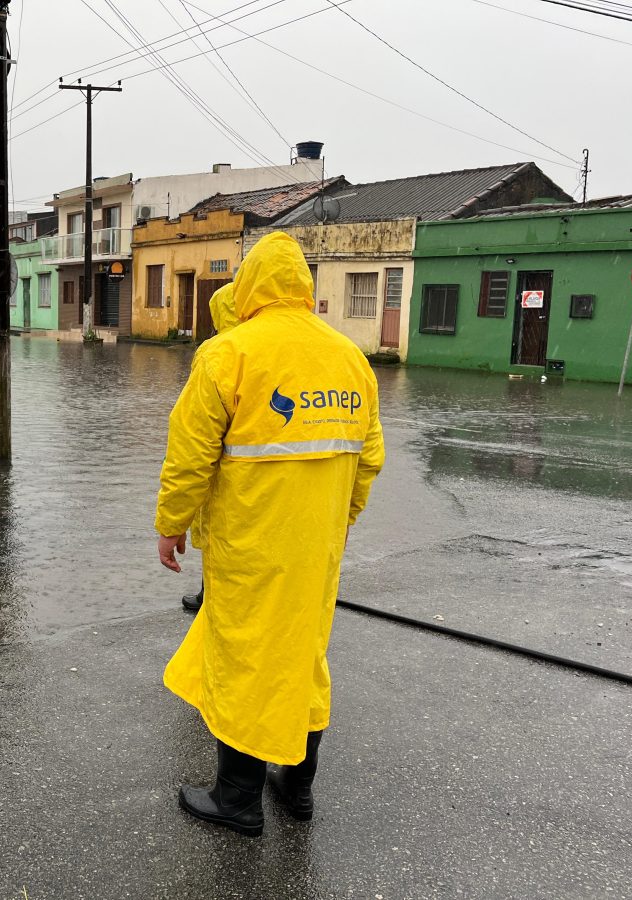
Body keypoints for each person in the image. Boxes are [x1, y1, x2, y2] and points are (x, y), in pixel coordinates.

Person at [155, 232, 384, 837]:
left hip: (251, 543)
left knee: (246, 659)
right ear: (303, 285)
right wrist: (341, 518)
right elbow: (369, 457)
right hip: (319, 546)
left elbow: (190, 456)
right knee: (304, 656)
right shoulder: (350, 358)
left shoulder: (229, 354)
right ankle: (297, 788)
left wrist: (171, 524)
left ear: (251, 283)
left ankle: (237, 798)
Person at [179, 281, 239, 614]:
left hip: (222, 464)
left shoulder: (215, 351)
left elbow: (196, 431)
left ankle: (209, 597)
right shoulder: (266, 346)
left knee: (214, 533)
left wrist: (172, 521)